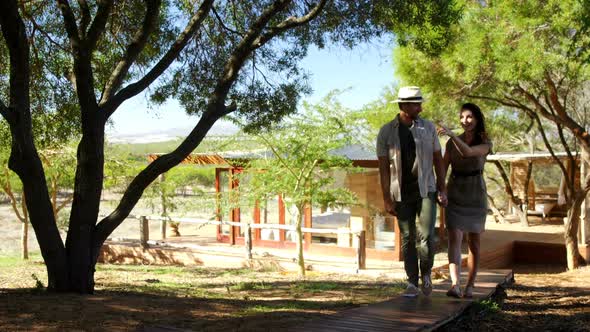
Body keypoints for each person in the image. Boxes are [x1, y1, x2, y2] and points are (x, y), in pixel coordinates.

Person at [377, 86, 447, 298]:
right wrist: (386, 199)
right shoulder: (386, 131)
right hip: (401, 194)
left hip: (426, 190)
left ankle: (426, 274)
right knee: (408, 237)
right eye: (417, 104)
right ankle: (412, 282)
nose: (421, 107)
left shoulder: (428, 128)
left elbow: (438, 160)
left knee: (426, 236)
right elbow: (382, 168)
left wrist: (443, 188)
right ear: (404, 106)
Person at [437, 102, 492, 298]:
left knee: (474, 243)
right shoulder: (451, 144)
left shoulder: (485, 142)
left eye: (468, 117)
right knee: (454, 239)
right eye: (461, 117)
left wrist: (451, 134)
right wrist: (441, 190)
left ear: (477, 119)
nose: (464, 121)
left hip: (475, 193)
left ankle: (470, 285)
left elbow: (468, 153)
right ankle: (454, 285)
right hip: (456, 192)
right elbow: (443, 168)